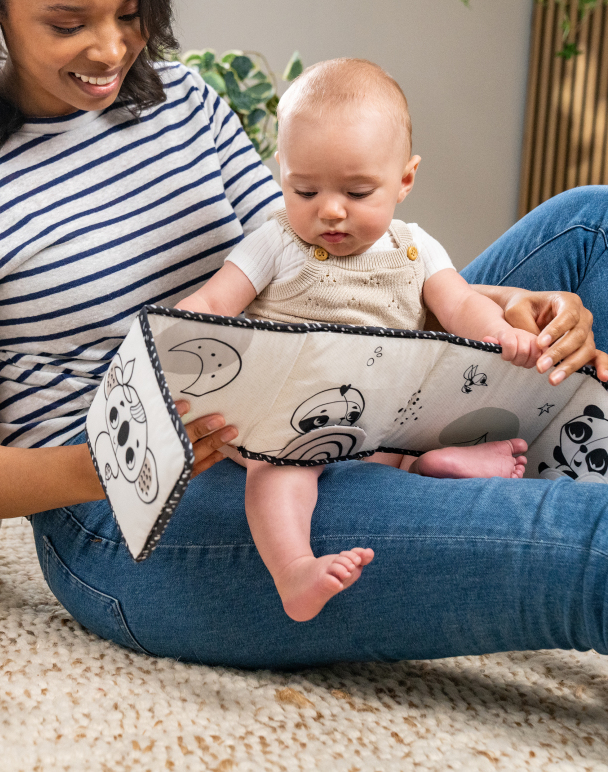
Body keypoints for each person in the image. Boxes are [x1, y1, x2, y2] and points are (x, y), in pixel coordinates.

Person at [0, 0, 608, 668]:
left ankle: (503, 452)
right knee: (579, 548)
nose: (111, 51)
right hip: (132, 513)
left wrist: (510, 311)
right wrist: (125, 461)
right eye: (68, 24)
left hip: (325, 399)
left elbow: (328, 268)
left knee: (591, 224)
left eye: (132, 12)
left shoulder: (185, 102)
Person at [174, 57, 598, 621]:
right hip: (297, 419)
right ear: (281, 172)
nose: (330, 209)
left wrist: (500, 334)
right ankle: (294, 568)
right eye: (304, 189)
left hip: (390, 407)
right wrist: (174, 333)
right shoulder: (274, 242)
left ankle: (435, 466)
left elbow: (460, 305)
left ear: (405, 179)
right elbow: (213, 303)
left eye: (357, 191)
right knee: (277, 471)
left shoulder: (417, 248)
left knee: (437, 414)